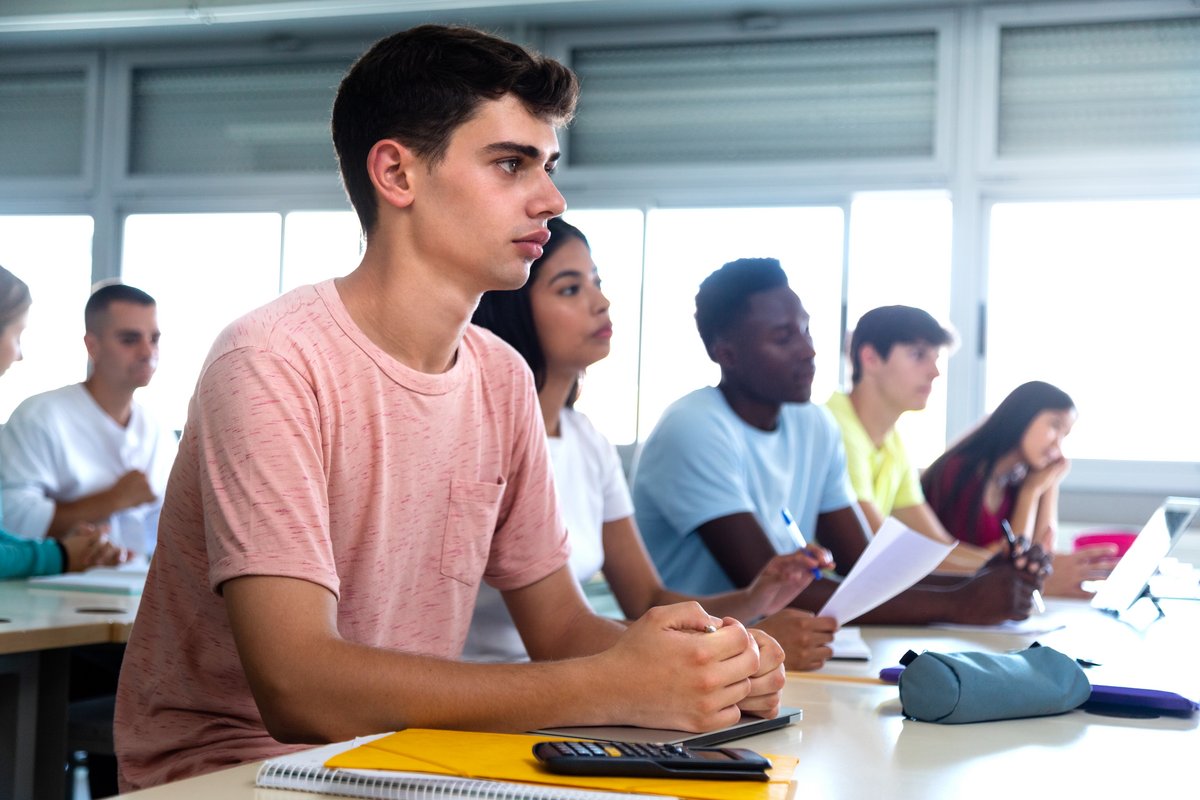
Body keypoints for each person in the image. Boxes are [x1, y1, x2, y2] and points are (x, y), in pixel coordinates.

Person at [115, 25, 783, 792]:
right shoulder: (271, 360)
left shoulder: (501, 377)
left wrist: (705, 667)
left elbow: (562, 629)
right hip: (233, 772)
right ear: (397, 173)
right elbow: (299, 687)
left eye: (548, 165)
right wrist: (616, 684)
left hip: (402, 759)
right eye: (510, 164)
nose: (551, 198)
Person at [465, 218, 832, 670]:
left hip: (564, 680)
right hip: (496, 688)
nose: (601, 302)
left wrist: (755, 598)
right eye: (569, 289)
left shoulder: (586, 441)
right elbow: (562, 635)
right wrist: (738, 641)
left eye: (596, 283)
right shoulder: (481, 435)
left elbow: (646, 599)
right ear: (514, 309)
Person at [633, 257, 1045, 627]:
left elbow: (864, 567)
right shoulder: (696, 427)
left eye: (806, 329)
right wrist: (961, 602)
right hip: (690, 646)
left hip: (772, 644)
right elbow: (765, 588)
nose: (808, 350)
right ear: (727, 353)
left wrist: (987, 577)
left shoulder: (814, 424)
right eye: (783, 338)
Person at [0, 282, 176, 558]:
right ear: (92, 345)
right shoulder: (39, 417)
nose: (147, 352)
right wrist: (114, 500)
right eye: (129, 339)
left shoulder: (159, 433)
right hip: (46, 593)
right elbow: (12, 520)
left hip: (136, 590)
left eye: (154, 339)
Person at [826, 305, 991, 573]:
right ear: (869, 358)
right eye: (918, 355)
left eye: (936, 357)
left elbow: (938, 545)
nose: (935, 371)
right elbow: (881, 549)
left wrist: (1006, 568)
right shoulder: (833, 427)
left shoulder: (893, 442)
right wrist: (997, 575)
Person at [921, 380, 1117, 598]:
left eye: (1064, 436)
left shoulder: (1019, 478)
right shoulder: (959, 471)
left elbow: (1039, 551)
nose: (1057, 446)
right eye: (1054, 426)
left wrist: (1049, 485)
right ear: (1023, 416)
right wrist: (1030, 493)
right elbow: (1013, 562)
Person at [0, 266, 122, 578]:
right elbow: (16, 516)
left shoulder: (154, 429)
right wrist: (60, 555)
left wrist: (65, 549)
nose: (19, 355)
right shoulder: (37, 416)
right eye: (17, 334)